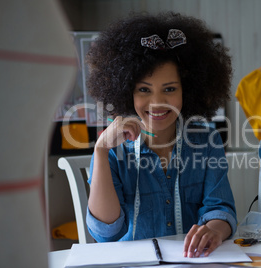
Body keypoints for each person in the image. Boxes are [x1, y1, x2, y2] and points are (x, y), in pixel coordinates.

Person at [85, 11, 237, 258]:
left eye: (169, 89)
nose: (157, 102)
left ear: (187, 91)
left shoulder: (206, 140)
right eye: (144, 89)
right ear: (127, 92)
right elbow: (105, 233)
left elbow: (221, 209)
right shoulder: (112, 149)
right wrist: (100, 151)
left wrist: (215, 231)